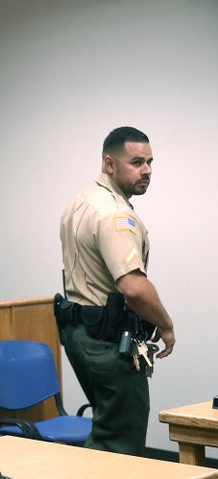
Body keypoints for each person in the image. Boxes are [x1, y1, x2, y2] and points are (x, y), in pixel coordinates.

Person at [58, 126, 176, 455]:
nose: (147, 170)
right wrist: (165, 325)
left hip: (80, 333)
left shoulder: (80, 203)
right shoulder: (115, 214)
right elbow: (134, 288)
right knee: (120, 442)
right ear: (109, 164)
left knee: (108, 427)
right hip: (107, 341)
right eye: (136, 162)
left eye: (150, 162)